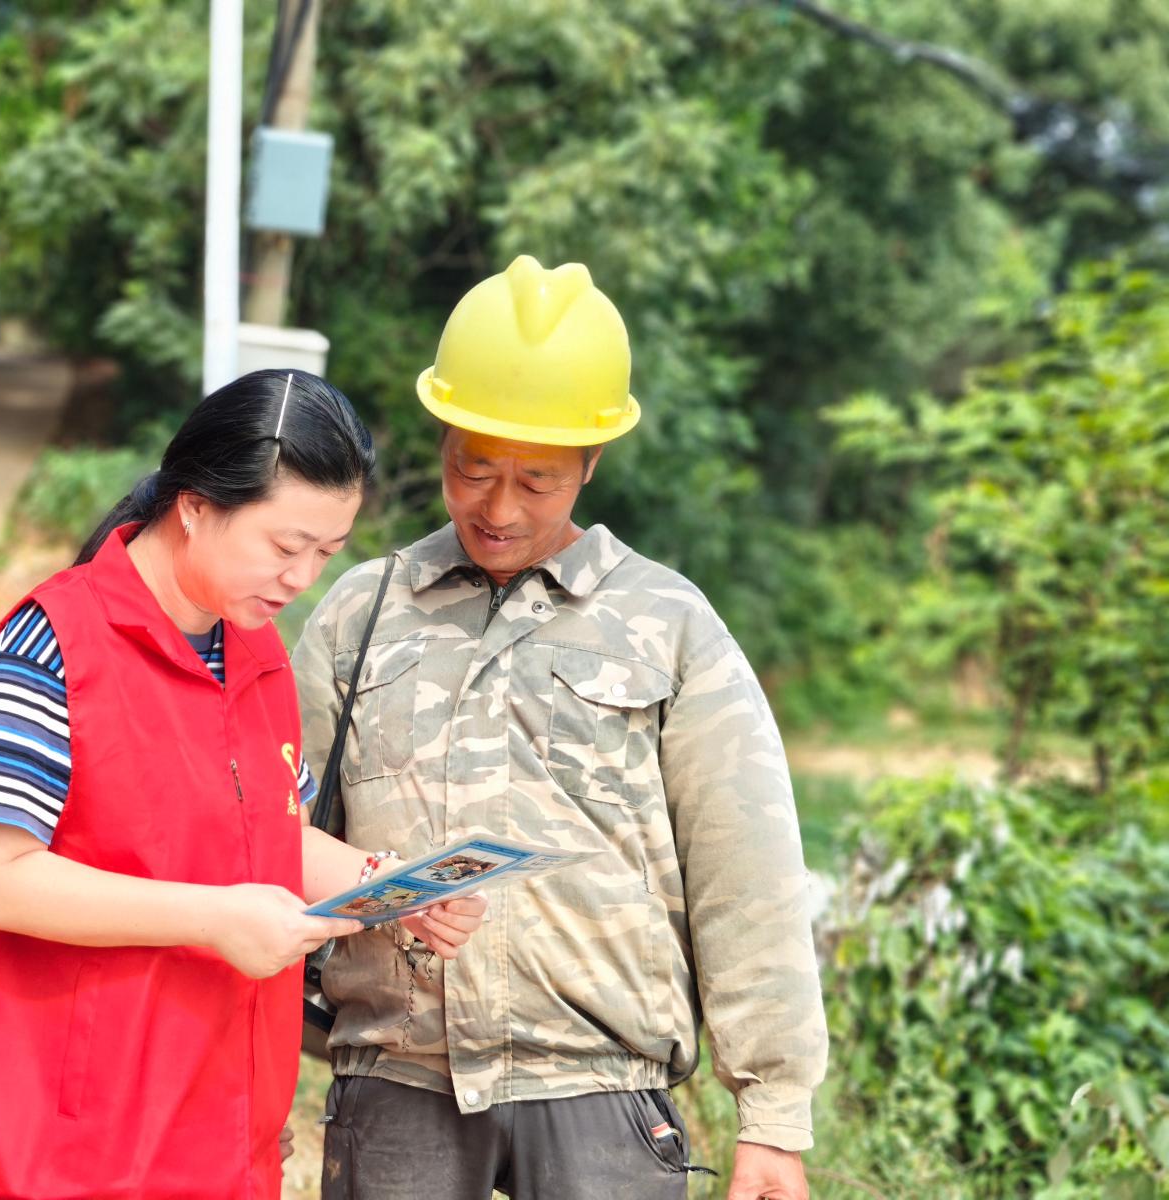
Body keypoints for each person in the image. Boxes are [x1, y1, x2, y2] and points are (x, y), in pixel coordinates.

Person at [293, 259, 829, 1200]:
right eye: (472, 468)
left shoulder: (670, 624)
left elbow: (747, 872)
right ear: (444, 438)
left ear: (592, 462)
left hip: (604, 1095)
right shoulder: (360, 613)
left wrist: (773, 1118)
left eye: (537, 480)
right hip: (396, 1087)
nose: (498, 509)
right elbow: (270, 836)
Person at [0, 370, 486, 1200]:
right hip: (51, 1147)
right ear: (196, 506)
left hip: (213, 1138)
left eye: (325, 553)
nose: (301, 579)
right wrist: (215, 919)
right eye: (285, 547)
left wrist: (391, 889)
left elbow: (270, 835)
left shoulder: (257, 656)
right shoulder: (46, 649)